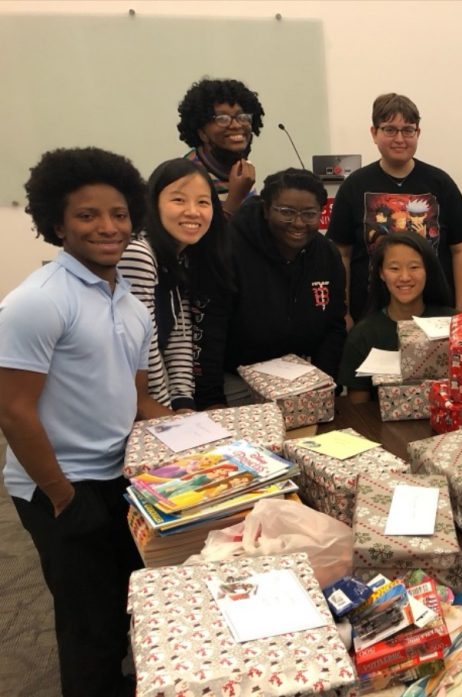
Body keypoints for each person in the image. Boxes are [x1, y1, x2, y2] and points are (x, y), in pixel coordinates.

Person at [0, 147, 172, 697]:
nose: (107, 227)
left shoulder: (128, 301)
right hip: (63, 485)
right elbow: (12, 409)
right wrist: (60, 493)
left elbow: (139, 399)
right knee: (87, 624)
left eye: (119, 214)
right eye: (87, 215)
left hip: (121, 479)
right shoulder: (38, 302)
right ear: (58, 223)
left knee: (126, 602)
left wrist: (199, 436)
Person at [195, 168, 347, 408]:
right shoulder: (230, 250)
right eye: (286, 212)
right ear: (266, 209)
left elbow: (334, 326)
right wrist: (212, 401)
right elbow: (211, 329)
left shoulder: (326, 254)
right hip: (236, 381)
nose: (298, 223)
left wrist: (323, 385)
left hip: (303, 382)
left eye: (309, 214)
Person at [326, 93, 462, 323]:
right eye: (390, 129)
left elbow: (461, 249)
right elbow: (341, 253)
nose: (400, 138)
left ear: (418, 133)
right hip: (370, 314)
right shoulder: (354, 186)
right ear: (374, 133)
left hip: (435, 314)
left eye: (408, 130)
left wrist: (461, 311)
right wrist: (343, 311)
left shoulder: (440, 183)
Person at [118, 158, 233, 411]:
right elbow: (144, 345)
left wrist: (183, 403)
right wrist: (165, 412)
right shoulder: (139, 253)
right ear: (153, 204)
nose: (193, 211)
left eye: (203, 202)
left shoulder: (180, 256)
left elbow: (179, 336)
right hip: (124, 404)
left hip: (150, 402)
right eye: (179, 200)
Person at [338, 232, 455, 402]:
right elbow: (358, 408)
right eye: (394, 268)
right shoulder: (363, 335)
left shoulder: (454, 324)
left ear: (427, 270)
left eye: (414, 267)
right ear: (381, 273)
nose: (405, 277)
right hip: (380, 427)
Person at [176, 78, 265, 216]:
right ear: (202, 133)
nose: (236, 125)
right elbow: (202, 235)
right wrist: (235, 199)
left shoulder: (239, 168)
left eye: (242, 116)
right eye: (222, 119)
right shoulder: (184, 177)